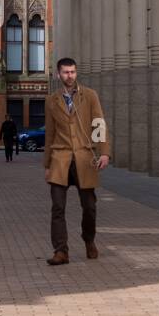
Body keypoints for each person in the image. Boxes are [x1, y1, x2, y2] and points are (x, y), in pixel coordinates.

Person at [44, 57, 110, 266]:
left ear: (76, 72)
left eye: (72, 72)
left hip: (84, 157)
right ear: (58, 74)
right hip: (60, 158)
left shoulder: (89, 96)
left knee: (89, 206)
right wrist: (47, 165)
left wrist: (105, 152)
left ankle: (88, 239)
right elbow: (50, 134)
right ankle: (60, 251)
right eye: (65, 72)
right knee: (57, 208)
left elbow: (99, 124)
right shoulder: (51, 101)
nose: (69, 76)